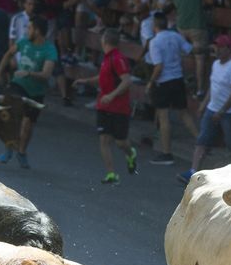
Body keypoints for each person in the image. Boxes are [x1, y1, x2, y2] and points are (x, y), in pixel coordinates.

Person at [178, 34, 231, 184]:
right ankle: (193, 172)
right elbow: (212, 87)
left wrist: (221, 111)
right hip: (212, 108)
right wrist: (204, 105)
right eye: (216, 46)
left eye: (221, 47)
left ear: (228, 49)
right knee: (202, 140)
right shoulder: (216, 64)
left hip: (229, 113)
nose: (217, 50)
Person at [74, 29, 137, 184]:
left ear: (105, 41)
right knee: (104, 139)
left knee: (120, 142)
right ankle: (111, 174)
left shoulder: (117, 58)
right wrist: (86, 81)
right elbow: (103, 77)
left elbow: (127, 80)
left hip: (119, 107)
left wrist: (112, 95)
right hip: (104, 106)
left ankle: (131, 153)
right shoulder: (107, 59)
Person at [0, 14, 57, 169]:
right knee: (12, 116)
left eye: (29, 28)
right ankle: (9, 147)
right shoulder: (23, 42)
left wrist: (29, 73)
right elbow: (8, 54)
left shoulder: (49, 49)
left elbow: (46, 74)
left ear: (37, 31)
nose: (26, 31)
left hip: (36, 91)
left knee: (28, 123)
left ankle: (21, 152)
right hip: (18, 85)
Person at [145, 12, 197, 164]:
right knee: (184, 113)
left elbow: (159, 66)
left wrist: (150, 82)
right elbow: (189, 49)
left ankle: (166, 152)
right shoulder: (175, 36)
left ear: (154, 26)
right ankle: (201, 141)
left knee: (164, 116)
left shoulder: (154, 42)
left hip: (164, 82)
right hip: (177, 78)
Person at [170, 0, 213, 98]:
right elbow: (210, 1)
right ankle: (200, 90)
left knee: (183, 56)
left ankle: (183, 85)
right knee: (200, 58)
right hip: (198, 26)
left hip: (182, 27)